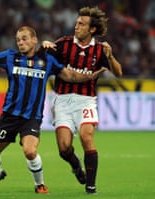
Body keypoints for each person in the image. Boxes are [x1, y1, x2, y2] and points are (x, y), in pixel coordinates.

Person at [0, 26, 105, 194]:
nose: (20, 43)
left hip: (31, 117)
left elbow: (70, 76)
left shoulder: (46, 61)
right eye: (18, 40)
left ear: (34, 39)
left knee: (30, 151)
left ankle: (40, 185)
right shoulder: (10, 57)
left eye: (24, 38)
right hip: (9, 116)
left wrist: (90, 76)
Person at [42, 7, 123, 194]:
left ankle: (91, 186)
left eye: (81, 24)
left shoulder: (100, 49)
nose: (76, 26)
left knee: (87, 137)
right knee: (64, 148)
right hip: (62, 100)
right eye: (77, 23)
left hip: (86, 101)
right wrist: (44, 46)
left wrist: (110, 57)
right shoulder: (63, 44)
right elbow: (43, 58)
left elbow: (118, 73)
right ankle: (76, 165)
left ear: (92, 29)